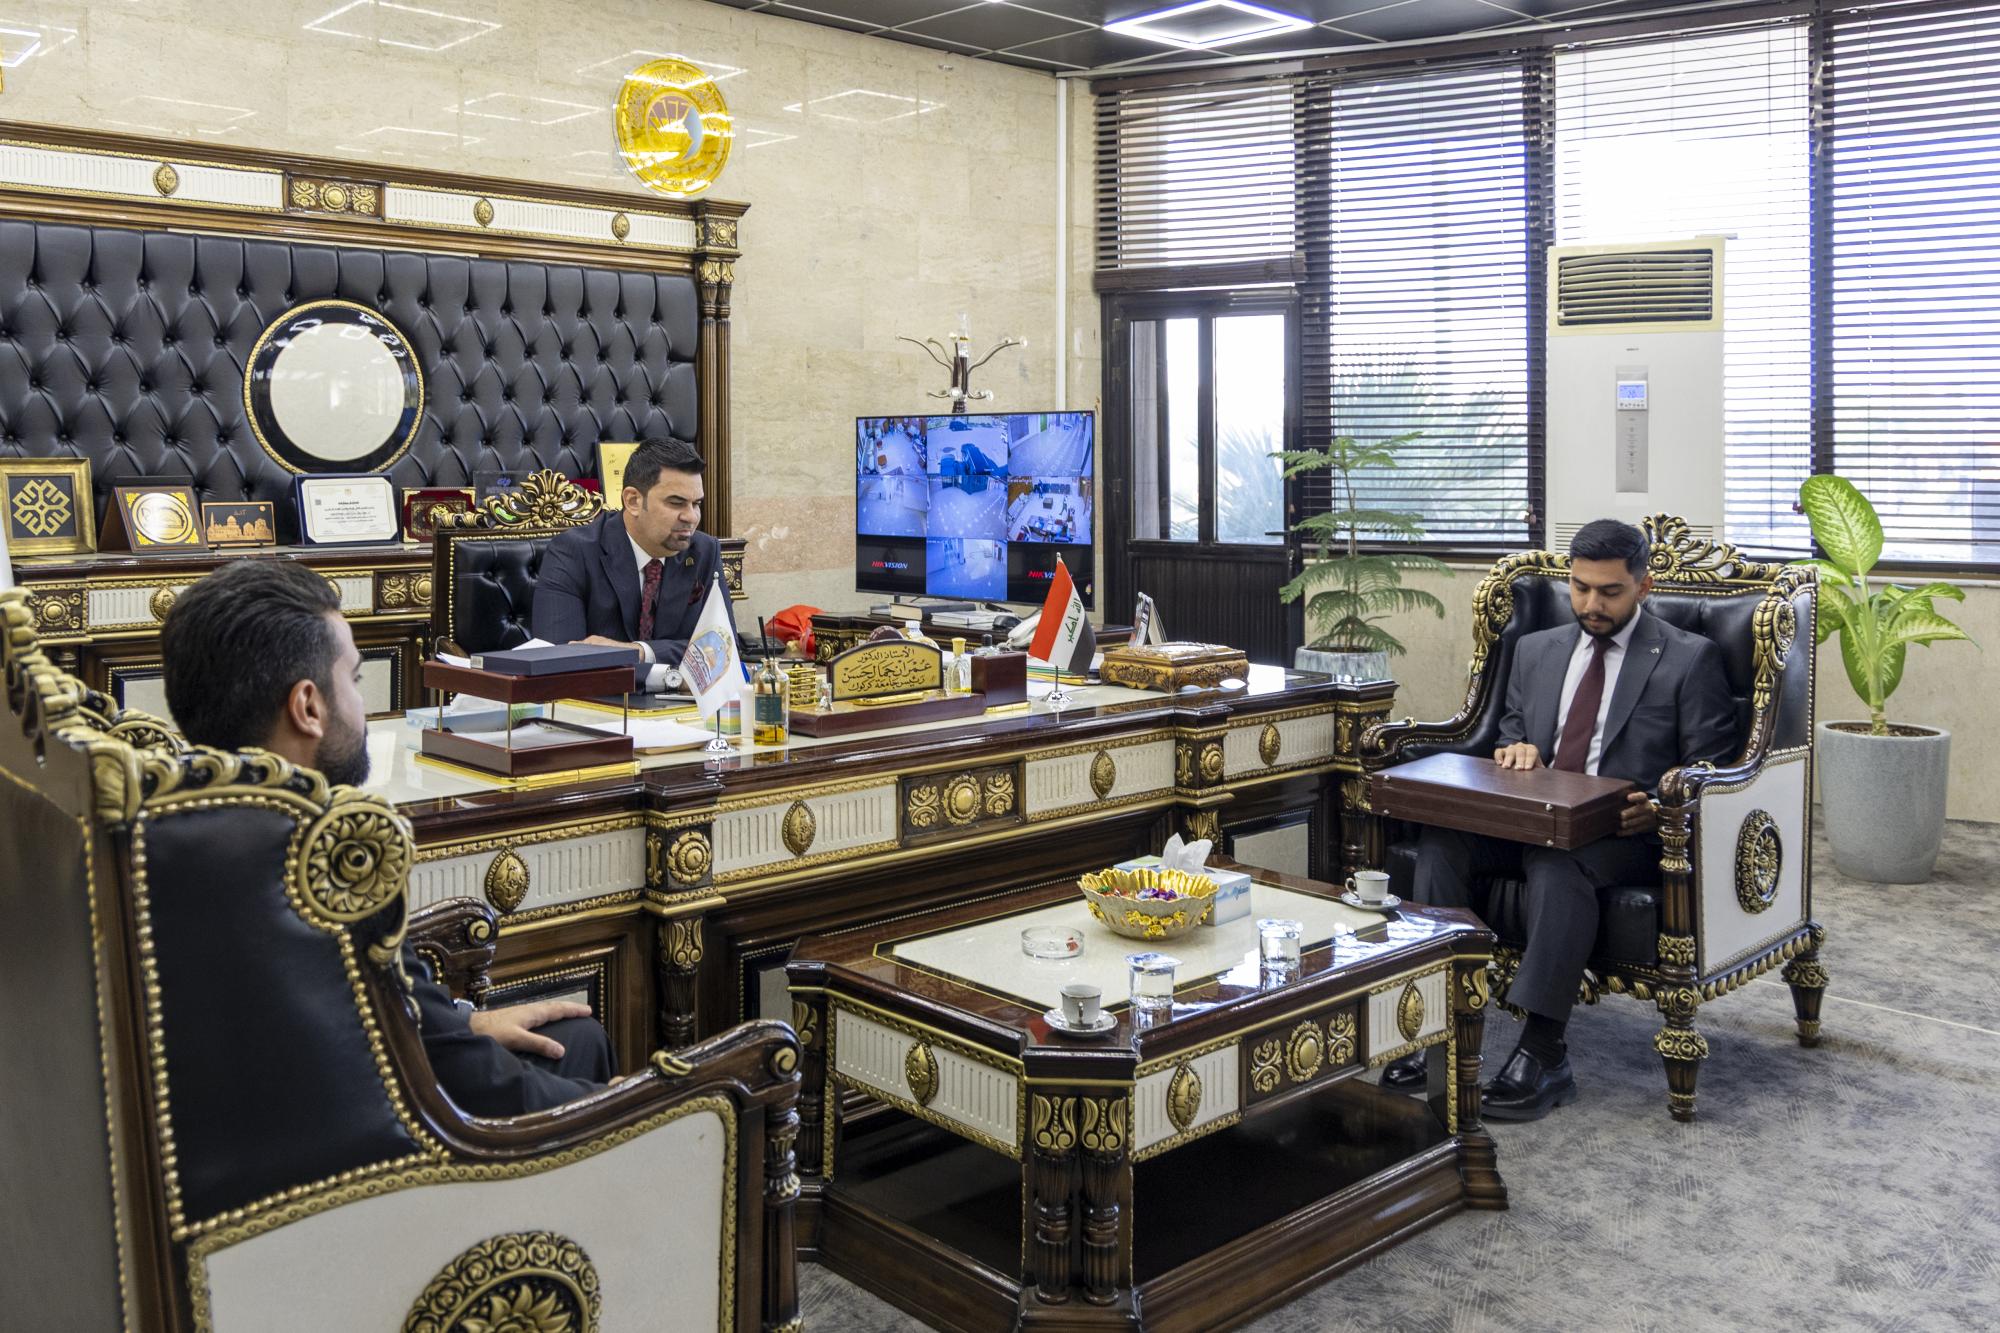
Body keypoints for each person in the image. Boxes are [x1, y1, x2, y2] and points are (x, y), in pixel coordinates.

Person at [161, 559, 613, 1117]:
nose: (362, 705)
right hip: (385, 1135)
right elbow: (468, 1085)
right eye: (353, 680)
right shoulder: (326, 864)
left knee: (576, 1037)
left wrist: (462, 1020)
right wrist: (632, 1105)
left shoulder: (188, 828)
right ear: (308, 707)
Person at [1382, 519, 1737, 1121]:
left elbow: (1713, 766)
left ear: (1643, 586)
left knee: (1558, 863)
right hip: (1532, 817)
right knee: (1443, 841)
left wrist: (1658, 805)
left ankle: (1544, 1052)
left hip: (1624, 833)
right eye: (1580, 588)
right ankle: (1434, 1024)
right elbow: (1511, 732)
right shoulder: (1536, 649)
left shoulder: (1687, 658)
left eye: (1610, 592)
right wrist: (1515, 750)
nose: (1591, 604)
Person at [532, 436, 737, 684]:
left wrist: (639, 652)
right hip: (598, 704)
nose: (691, 517)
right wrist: (671, 675)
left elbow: (724, 652)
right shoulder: (573, 552)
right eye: (676, 503)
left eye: (696, 504)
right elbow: (560, 660)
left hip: (683, 705)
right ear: (633, 501)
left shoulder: (704, 551)